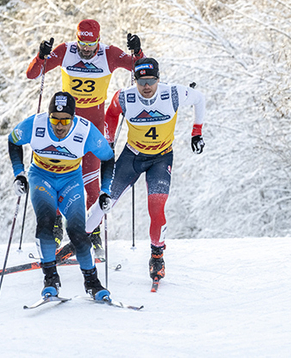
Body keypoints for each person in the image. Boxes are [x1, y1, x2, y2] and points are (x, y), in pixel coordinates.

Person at [26, 19, 144, 250]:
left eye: (91, 44)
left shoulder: (108, 54)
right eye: (82, 43)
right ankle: (56, 226)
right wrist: (41, 56)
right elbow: (33, 74)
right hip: (63, 124)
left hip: (92, 126)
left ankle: (92, 232)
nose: (86, 49)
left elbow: (140, 69)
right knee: (58, 172)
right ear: (76, 38)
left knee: (91, 183)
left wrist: (137, 51)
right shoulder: (65, 51)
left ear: (98, 41)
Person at [88, 58, 206, 283]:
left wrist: (197, 132)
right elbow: (112, 114)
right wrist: (109, 140)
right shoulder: (125, 96)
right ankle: (80, 238)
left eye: (151, 81)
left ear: (158, 79)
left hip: (161, 158)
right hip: (132, 156)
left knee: (156, 206)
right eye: (142, 81)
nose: (146, 87)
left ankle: (157, 256)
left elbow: (200, 99)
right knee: (106, 200)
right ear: (136, 81)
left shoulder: (173, 94)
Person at [8, 92, 115, 299]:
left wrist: (105, 191)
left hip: (71, 181)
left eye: (65, 120)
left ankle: (92, 283)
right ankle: (50, 279)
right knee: (46, 222)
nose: (59, 126)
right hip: (41, 177)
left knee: (77, 231)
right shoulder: (36, 124)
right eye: (54, 120)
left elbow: (108, 158)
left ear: (73, 118)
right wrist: (18, 174)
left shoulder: (85, 131)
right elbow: (13, 141)